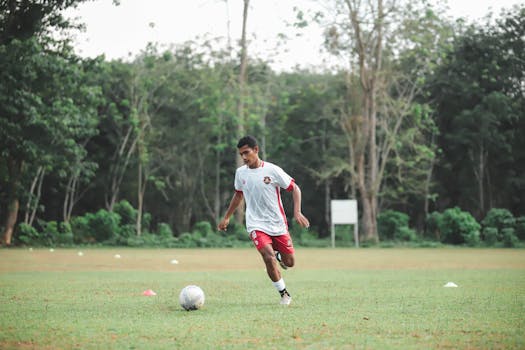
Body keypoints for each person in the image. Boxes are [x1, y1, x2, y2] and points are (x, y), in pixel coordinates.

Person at [217, 135, 310, 306]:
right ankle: (284, 294)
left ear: (256, 150)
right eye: (241, 155)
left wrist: (297, 212)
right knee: (268, 257)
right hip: (255, 224)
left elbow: (294, 188)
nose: (244, 158)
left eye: (246, 153)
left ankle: (280, 255)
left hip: (278, 224)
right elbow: (238, 195)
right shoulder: (240, 173)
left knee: (290, 262)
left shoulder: (272, 170)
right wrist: (227, 217)